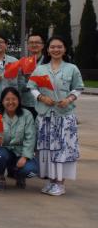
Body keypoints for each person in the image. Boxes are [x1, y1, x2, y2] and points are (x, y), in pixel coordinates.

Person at [28, 35, 84, 196]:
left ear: (65, 49)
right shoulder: (40, 69)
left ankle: (60, 183)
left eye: (59, 47)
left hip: (64, 116)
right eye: (52, 47)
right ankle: (51, 181)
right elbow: (32, 87)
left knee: (63, 149)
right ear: (48, 49)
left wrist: (69, 99)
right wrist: (41, 97)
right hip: (45, 116)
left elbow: (78, 88)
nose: (56, 49)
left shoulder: (72, 68)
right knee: (46, 150)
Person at [0, 87, 38, 191]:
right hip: (4, 151)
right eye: (7, 99)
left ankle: (19, 175)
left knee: (32, 171)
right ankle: (0, 177)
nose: (10, 102)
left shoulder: (27, 115)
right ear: (2, 101)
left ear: (19, 100)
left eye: (14, 99)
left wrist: (25, 157)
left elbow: (30, 138)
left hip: (21, 152)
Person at [20, 33, 46, 118]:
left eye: (37, 42)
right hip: (27, 104)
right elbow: (20, 86)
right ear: (27, 46)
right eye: (31, 42)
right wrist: (28, 81)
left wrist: (31, 80)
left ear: (42, 45)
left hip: (46, 104)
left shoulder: (49, 62)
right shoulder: (22, 63)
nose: (34, 45)